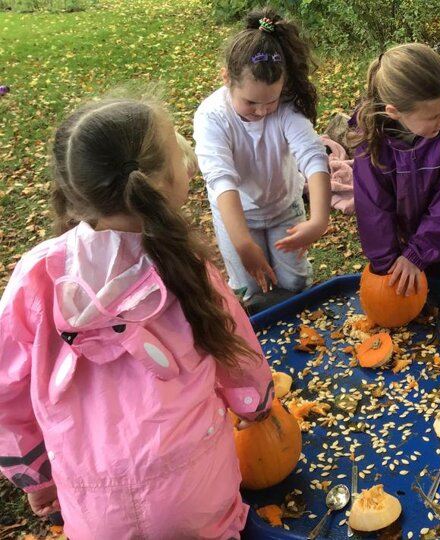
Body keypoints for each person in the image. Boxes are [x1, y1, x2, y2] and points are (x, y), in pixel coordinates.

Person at [0, 97, 274, 539]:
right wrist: (256, 406)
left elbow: (6, 390)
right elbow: (236, 350)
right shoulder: (186, 266)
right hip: (195, 495)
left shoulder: (35, 277)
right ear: (164, 181)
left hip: (93, 508)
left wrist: (35, 474)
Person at [194, 8, 330, 310]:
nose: (261, 111)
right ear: (226, 78)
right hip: (237, 214)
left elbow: (313, 157)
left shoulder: (285, 107)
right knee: (251, 288)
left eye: (270, 101)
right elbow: (221, 179)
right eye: (251, 102)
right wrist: (243, 243)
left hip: (284, 207)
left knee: (294, 283)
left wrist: (319, 219)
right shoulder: (211, 116)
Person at [350, 43, 440, 297]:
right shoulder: (371, 141)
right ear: (394, 112)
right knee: (421, 298)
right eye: (433, 116)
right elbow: (373, 207)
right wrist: (388, 266)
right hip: (409, 240)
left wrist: (419, 252)